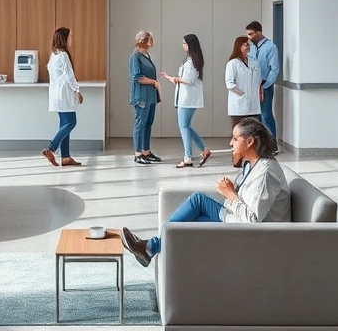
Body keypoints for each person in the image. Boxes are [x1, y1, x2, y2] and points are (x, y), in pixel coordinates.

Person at [121, 118, 290, 267]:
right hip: (235, 220)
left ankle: (150, 247)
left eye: (235, 138)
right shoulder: (250, 165)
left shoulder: (266, 173)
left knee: (192, 213)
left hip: (256, 235)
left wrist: (231, 194)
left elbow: (253, 221)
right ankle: (151, 247)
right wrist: (232, 189)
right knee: (192, 212)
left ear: (250, 142)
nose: (230, 143)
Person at [161, 34, 210, 168]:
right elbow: (183, 79)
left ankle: (188, 157)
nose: (182, 45)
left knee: (183, 126)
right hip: (184, 98)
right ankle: (203, 150)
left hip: (188, 99)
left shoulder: (192, 61)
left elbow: (188, 80)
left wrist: (177, 79)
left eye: (184, 43)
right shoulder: (189, 60)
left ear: (190, 45)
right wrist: (169, 77)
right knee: (185, 126)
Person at [43, 27, 83, 167]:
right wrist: (77, 90)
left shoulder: (54, 55)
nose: (72, 39)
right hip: (64, 95)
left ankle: (65, 157)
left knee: (64, 124)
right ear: (64, 38)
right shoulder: (63, 55)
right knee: (71, 123)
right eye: (70, 36)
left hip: (57, 96)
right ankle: (51, 148)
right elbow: (69, 75)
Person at [129, 30, 162, 165]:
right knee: (140, 124)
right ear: (143, 41)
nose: (151, 41)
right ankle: (138, 153)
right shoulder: (135, 57)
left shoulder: (146, 55)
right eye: (150, 39)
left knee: (148, 124)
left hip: (151, 96)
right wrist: (153, 82)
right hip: (141, 97)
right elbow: (137, 77)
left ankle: (146, 151)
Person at [246, 21, 280, 142]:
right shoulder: (251, 47)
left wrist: (265, 86)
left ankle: (272, 145)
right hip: (252, 84)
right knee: (256, 116)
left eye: (251, 34)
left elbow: (274, 69)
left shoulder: (270, 47)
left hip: (265, 84)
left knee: (266, 115)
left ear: (259, 32)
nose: (249, 37)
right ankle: (260, 144)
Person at [225, 36, 263, 129]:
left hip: (254, 104)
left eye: (248, 45)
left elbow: (259, 81)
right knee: (239, 132)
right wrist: (242, 94)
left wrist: (260, 93)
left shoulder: (255, 63)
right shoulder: (232, 63)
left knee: (254, 131)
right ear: (239, 46)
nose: (248, 47)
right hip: (239, 105)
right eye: (245, 45)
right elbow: (229, 83)